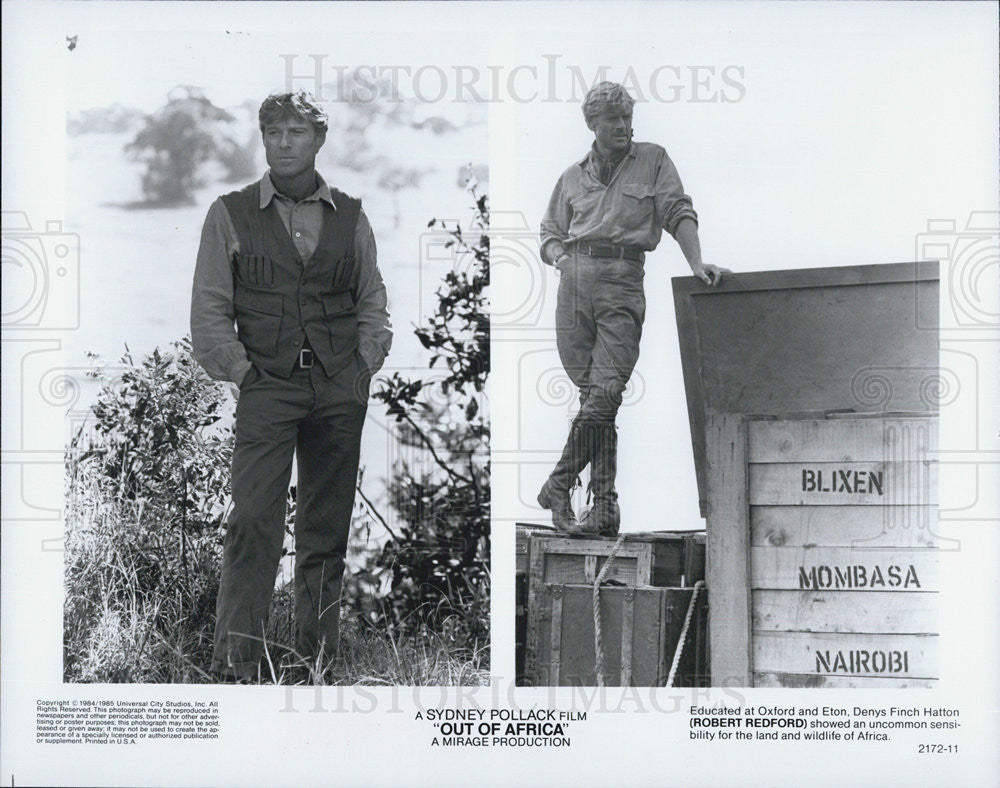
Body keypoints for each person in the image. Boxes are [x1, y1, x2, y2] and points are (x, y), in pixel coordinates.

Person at [191, 90, 392, 681]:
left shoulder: (351, 214)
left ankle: (318, 664)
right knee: (253, 524)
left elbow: (372, 300)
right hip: (267, 389)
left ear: (319, 141)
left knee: (325, 533)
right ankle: (236, 663)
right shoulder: (228, 212)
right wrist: (244, 374)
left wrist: (362, 364)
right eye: (273, 132)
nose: (283, 142)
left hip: (338, 389)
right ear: (263, 139)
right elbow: (209, 310)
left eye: (296, 132)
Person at [537, 81, 728, 537]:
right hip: (573, 285)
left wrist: (697, 262)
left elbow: (678, 211)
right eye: (612, 120)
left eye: (627, 117)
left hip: (622, 281)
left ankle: (558, 485)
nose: (623, 126)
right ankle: (604, 507)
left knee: (605, 395)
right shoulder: (571, 176)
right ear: (593, 125)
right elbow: (548, 231)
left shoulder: (653, 159)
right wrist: (560, 259)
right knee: (594, 402)